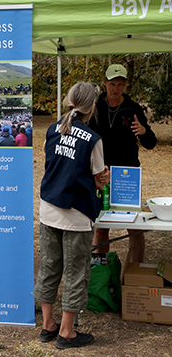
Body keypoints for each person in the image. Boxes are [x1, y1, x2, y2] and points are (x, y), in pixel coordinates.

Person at [34, 82, 110, 349]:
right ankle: (67, 333)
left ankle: (48, 326)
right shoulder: (93, 139)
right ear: (92, 107)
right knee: (76, 271)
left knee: (49, 266)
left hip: (48, 209)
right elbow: (99, 180)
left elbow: (53, 165)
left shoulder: (52, 130)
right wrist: (103, 181)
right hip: (76, 214)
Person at [89, 64, 157, 263]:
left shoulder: (133, 109)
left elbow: (151, 143)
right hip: (101, 174)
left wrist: (144, 132)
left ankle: (133, 273)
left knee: (134, 227)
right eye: (112, 84)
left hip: (127, 175)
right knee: (101, 227)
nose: (115, 88)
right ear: (104, 83)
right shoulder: (94, 106)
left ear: (125, 85)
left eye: (120, 84)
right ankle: (100, 271)